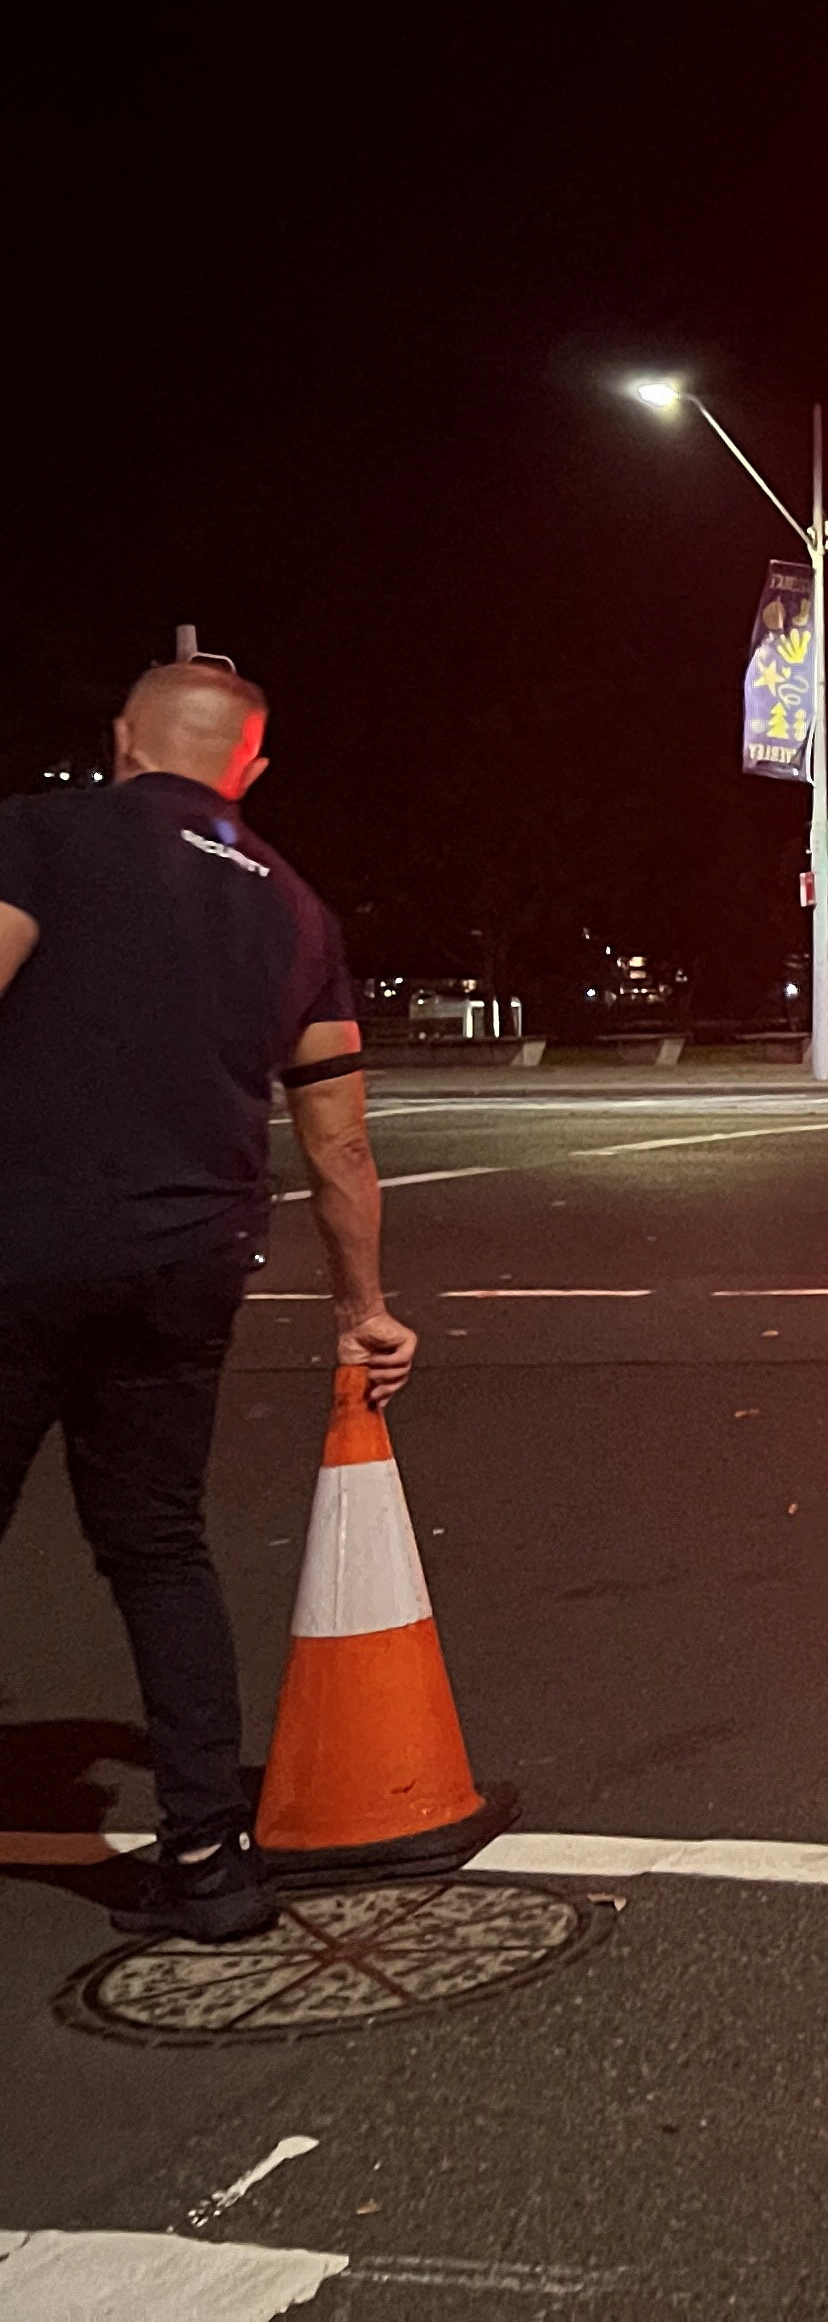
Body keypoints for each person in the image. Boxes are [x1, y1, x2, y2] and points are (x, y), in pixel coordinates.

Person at [0, 663, 416, 1942]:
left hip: (21, 1240)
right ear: (250, 768)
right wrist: (366, 1310)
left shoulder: (41, 832)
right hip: (188, 1264)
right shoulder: (299, 916)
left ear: (123, 740)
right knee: (160, 1547)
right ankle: (204, 1855)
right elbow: (338, 1144)